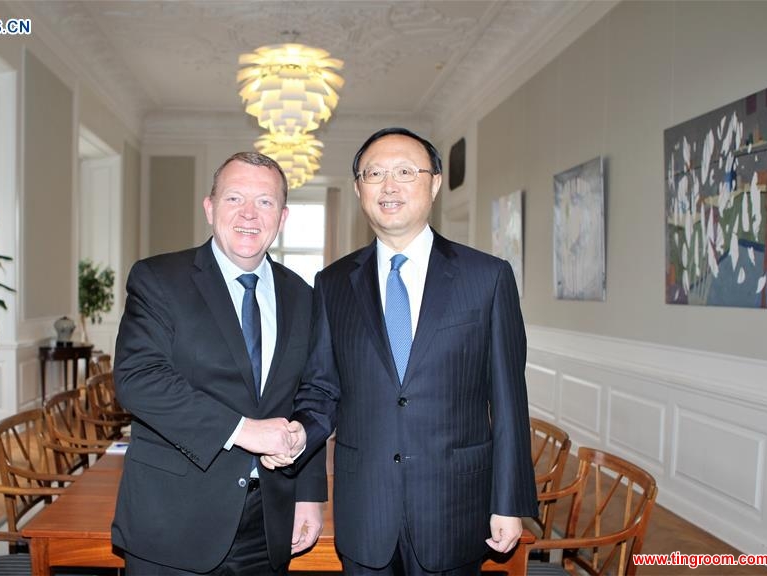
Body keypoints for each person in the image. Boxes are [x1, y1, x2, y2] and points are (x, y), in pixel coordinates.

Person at [267, 127, 537, 575]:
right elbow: (321, 389)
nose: (389, 186)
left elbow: (509, 401)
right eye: (375, 174)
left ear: (433, 184)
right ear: (358, 189)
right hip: (365, 512)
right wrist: (300, 435)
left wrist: (508, 503)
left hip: (454, 510)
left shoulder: (487, 278)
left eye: (405, 172)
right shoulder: (332, 284)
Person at [112, 152, 327, 575]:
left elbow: (309, 396)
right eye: (234, 198)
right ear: (210, 208)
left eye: (264, 202)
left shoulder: (303, 295)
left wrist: (309, 494)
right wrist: (245, 431)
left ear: (281, 218)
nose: (249, 214)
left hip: (267, 525)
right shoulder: (159, 279)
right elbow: (138, 379)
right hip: (172, 523)